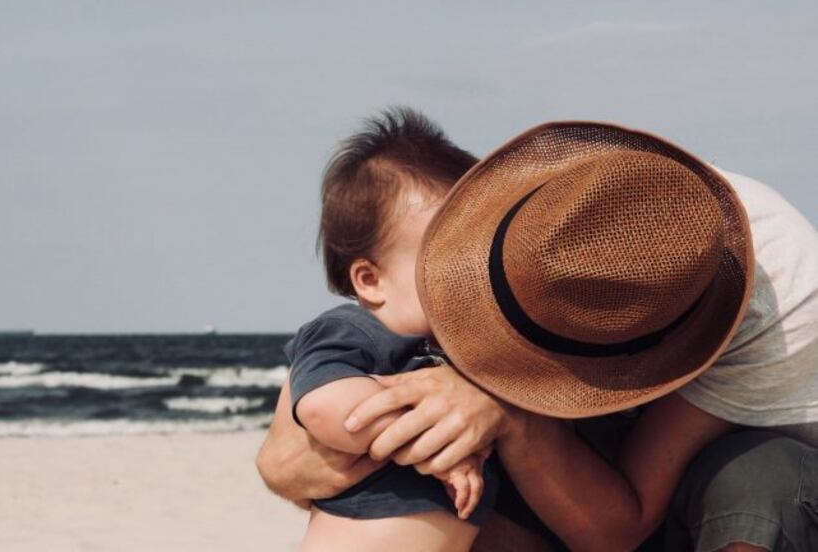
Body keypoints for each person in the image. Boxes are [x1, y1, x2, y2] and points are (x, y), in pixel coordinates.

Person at [257, 119, 818, 552]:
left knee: (763, 480)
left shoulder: (785, 295)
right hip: (586, 464)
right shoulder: (563, 212)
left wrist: (504, 407)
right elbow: (305, 422)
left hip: (695, 485)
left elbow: (621, 525)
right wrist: (284, 457)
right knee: (459, 461)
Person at [285, 108, 500, 552]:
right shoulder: (351, 332)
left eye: (477, 257)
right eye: (446, 262)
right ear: (370, 280)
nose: (471, 277)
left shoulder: (455, 348)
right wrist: (435, 448)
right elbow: (328, 409)